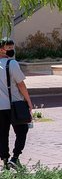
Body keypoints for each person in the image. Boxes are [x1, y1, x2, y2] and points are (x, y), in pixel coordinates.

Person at [0, 38, 33, 170]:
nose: (11, 50)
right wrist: (29, 102)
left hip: (1, 107)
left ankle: (5, 161)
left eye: (12, 47)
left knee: (2, 134)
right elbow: (21, 84)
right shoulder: (12, 64)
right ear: (1, 49)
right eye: (8, 47)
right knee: (22, 131)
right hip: (15, 105)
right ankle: (14, 158)